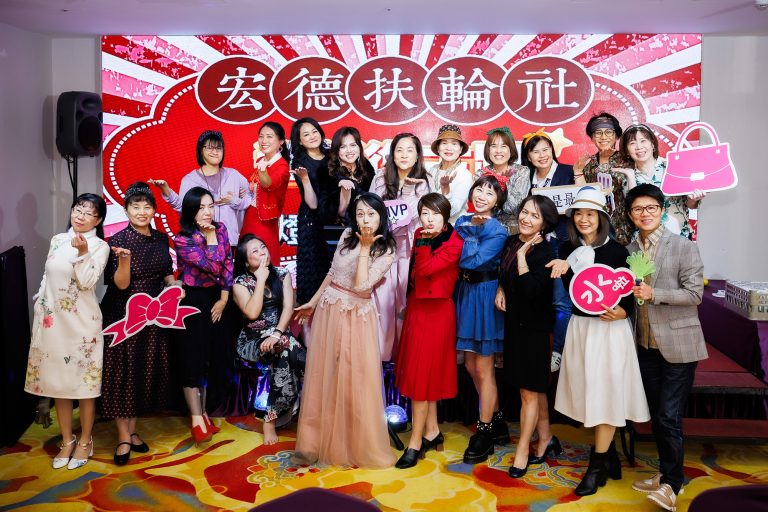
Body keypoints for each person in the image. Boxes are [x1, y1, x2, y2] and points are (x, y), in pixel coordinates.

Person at [548, 186, 650, 496]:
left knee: (606, 394)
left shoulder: (619, 252)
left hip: (609, 332)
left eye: (590, 214)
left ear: (602, 217)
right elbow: (572, 291)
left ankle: (596, 466)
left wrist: (624, 311)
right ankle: (609, 458)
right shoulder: (566, 249)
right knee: (590, 393)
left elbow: (631, 292)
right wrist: (564, 265)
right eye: (578, 214)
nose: (583, 219)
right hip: (581, 329)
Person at [293, 193, 397, 468]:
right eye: (360, 213)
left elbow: (362, 285)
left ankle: (349, 445)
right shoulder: (348, 234)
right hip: (330, 308)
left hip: (357, 315)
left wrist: (365, 248)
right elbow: (332, 273)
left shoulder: (386, 249)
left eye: (371, 214)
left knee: (353, 378)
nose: (365, 219)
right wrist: (313, 302)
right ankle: (316, 442)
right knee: (325, 374)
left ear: (381, 217)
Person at [626, 184, 708, 512]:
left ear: (661, 210)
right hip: (644, 343)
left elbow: (694, 294)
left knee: (668, 416)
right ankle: (665, 473)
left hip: (679, 344)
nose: (644, 213)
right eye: (638, 209)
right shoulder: (630, 248)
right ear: (630, 214)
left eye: (651, 208)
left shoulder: (683, 247)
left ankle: (672, 485)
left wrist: (654, 294)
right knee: (659, 416)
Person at [24, 193, 110, 470]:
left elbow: (87, 282)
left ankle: (85, 440)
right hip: (53, 322)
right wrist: (40, 300)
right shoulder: (58, 239)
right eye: (77, 209)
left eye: (88, 213)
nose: (80, 216)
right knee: (58, 384)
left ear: (98, 219)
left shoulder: (100, 246)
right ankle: (66, 440)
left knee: (84, 386)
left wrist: (83, 253)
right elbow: (47, 274)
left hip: (82, 325)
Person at [99, 182, 177, 466]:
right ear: (126, 210)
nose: (142, 211)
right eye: (135, 206)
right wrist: (124, 261)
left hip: (154, 313)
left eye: (147, 206)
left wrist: (175, 288)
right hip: (124, 312)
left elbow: (166, 273)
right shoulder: (117, 241)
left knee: (143, 370)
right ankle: (123, 436)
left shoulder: (161, 239)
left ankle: (132, 431)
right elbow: (120, 284)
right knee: (124, 372)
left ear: (154, 210)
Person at [394, 193, 463, 469]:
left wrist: (422, 242)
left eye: (435, 213)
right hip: (417, 309)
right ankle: (432, 431)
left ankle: (415, 442)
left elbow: (425, 269)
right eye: (424, 213)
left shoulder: (454, 242)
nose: (429, 219)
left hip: (437, 313)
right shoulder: (420, 235)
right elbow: (413, 275)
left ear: (446, 216)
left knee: (423, 377)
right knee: (421, 374)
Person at [496, 195, 560, 478]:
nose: (526, 218)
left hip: (535, 327)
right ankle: (546, 437)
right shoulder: (511, 242)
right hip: (514, 324)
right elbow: (504, 275)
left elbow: (531, 289)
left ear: (544, 224)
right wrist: (500, 290)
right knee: (534, 388)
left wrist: (523, 256)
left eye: (535, 216)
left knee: (528, 391)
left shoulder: (546, 251)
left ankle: (523, 449)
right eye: (525, 212)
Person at [454, 175, 509, 464]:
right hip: (465, 293)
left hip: (485, 295)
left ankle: (484, 430)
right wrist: (468, 232)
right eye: (479, 189)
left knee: (484, 368)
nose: (482, 195)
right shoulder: (462, 222)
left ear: (497, 201)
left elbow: (471, 260)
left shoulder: (497, 230)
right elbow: (452, 254)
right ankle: (497, 421)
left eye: (490, 192)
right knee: (470, 365)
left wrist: (472, 234)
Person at [173, 186, 234, 444]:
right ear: (190, 211)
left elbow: (228, 264)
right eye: (201, 208)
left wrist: (224, 298)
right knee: (193, 358)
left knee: (211, 357)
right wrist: (210, 239)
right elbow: (212, 265)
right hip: (193, 299)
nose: (207, 212)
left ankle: (205, 413)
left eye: (210, 206)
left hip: (217, 298)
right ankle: (196, 418)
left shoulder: (221, 229)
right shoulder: (183, 239)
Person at [232, 235, 306, 445]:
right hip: (253, 339)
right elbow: (252, 313)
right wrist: (261, 279)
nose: (262, 252)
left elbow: (288, 308)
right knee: (293, 352)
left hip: (280, 334)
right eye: (255, 251)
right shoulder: (240, 283)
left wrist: (277, 334)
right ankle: (271, 420)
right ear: (246, 262)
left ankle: (286, 414)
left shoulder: (282, 274)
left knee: (291, 351)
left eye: (263, 247)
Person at [370, 133, 430, 360]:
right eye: (399, 150)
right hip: (383, 250)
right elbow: (372, 211)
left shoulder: (425, 181)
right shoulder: (380, 177)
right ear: (392, 154)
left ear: (417, 155)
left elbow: (418, 214)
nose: (404, 155)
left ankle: (406, 359)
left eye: (410, 150)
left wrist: (410, 192)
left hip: (410, 251)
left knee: (405, 305)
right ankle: (381, 360)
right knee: (383, 306)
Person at [520, 129, 576, 373]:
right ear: (528, 156)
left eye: (546, 149)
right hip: (535, 244)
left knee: (561, 301)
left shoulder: (568, 172)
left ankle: (558, 351)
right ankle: (538, 348)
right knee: (537, 297)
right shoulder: (526, 178)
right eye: (535, 151)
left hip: (562, 243)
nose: (542, 155)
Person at [149, 130, 250, 249]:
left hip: (229, 242)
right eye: (210, 148)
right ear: (201, 150)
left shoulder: (233, 175)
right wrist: (167, 191)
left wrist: (234, 201)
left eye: (219, 148)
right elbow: (184, 208)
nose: (215, 152)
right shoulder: (190, 180)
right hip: (200, 243)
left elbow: (250, 199)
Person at [616, 124, 705, 241]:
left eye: (643, 141)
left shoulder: (673, 166)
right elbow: (634, 209)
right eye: (632, 143)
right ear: (627, 151)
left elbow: (691, 205)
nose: (639, 147)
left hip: (677, 235)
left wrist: (694, 199)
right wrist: (631, 177)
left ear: (652, 144)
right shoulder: (627, 177)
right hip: (646, 240)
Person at [290, 118, 338, 307]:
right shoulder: (300, 163)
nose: (312, 136)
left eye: (314, 131)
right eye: (306, 134)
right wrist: (305, 179)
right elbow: (312, 203)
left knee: (337, 270)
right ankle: (310, 316)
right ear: (300, 141)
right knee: (315, 270)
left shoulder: (332, 156)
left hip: (335, 219)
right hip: (312, 222)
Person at [572, 113, 633, 245]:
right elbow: (583, 196)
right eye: (598, 133)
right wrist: (578, 172)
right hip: (595, 231)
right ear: (592, 137)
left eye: (608, 132)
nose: (603, 137)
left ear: (617, 135)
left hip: (625, 229)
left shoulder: (628, 161)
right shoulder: (587, 164)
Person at [242, 121, 291, 261]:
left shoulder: (282, 166)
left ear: (281, 141)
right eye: (261, 136)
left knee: (263, 258)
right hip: (250, 215)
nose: (264, 140)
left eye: (269, 136)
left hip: (265, 220)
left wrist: (262, 171)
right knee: (246, 257)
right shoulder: (261, 159)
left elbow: (269, 184)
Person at [475, 127, 530, 232]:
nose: (498, 151)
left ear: (511, 149)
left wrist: (504, 183)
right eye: (494, 146)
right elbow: (481, 207)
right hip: (487, 230)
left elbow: (515, 208)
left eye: (503, 146)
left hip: (514, 232)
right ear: (488, 149)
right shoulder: (481, 174)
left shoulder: (521, 172)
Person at [327, 126, 376, 230]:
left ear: (359, 147)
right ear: (337, 150)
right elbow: (340, 212)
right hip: (339, 229)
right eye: (343, 147)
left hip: (367, 227)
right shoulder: (330, 172)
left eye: (353, 145)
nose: (349, 150)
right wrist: (346, 190)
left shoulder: (366, 167)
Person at [428, 124, 473, 224]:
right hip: (431, 225)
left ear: (460, 149)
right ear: (438, 148)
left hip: (454, 227)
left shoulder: (464, 174)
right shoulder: (432, 170)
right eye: (444, 143)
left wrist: (446, 190)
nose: (449, 148)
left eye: (454, 144)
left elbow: (453, 209)